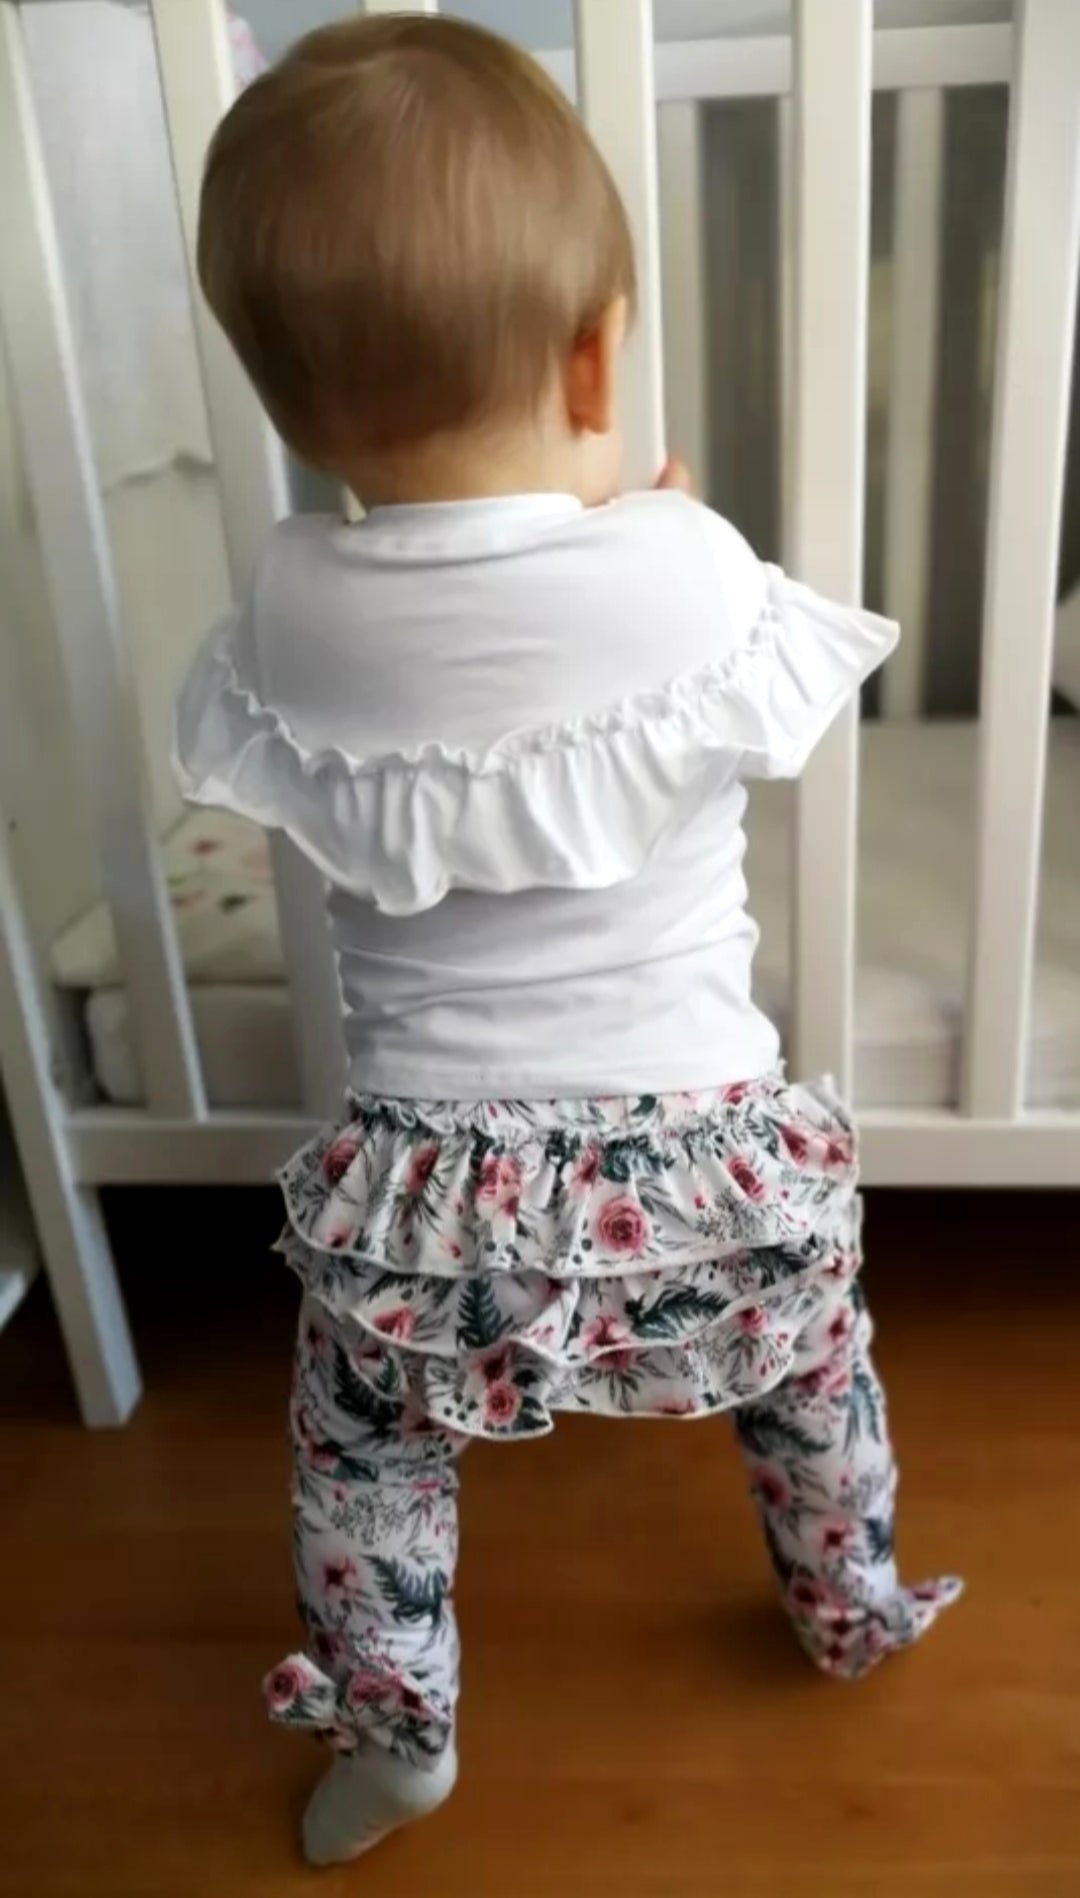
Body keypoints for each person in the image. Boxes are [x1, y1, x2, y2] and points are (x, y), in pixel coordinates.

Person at [175, 13, 961, 1868]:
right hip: (713, 1192)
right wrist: (655, 524)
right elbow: (732, 665)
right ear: (599, 353)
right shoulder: (683, 568)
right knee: (815, 1364)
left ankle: (399, 1723)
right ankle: (845, 1594)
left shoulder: (289, 610)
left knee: (367, 1452)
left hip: (429, 1222)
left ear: (288, 409)